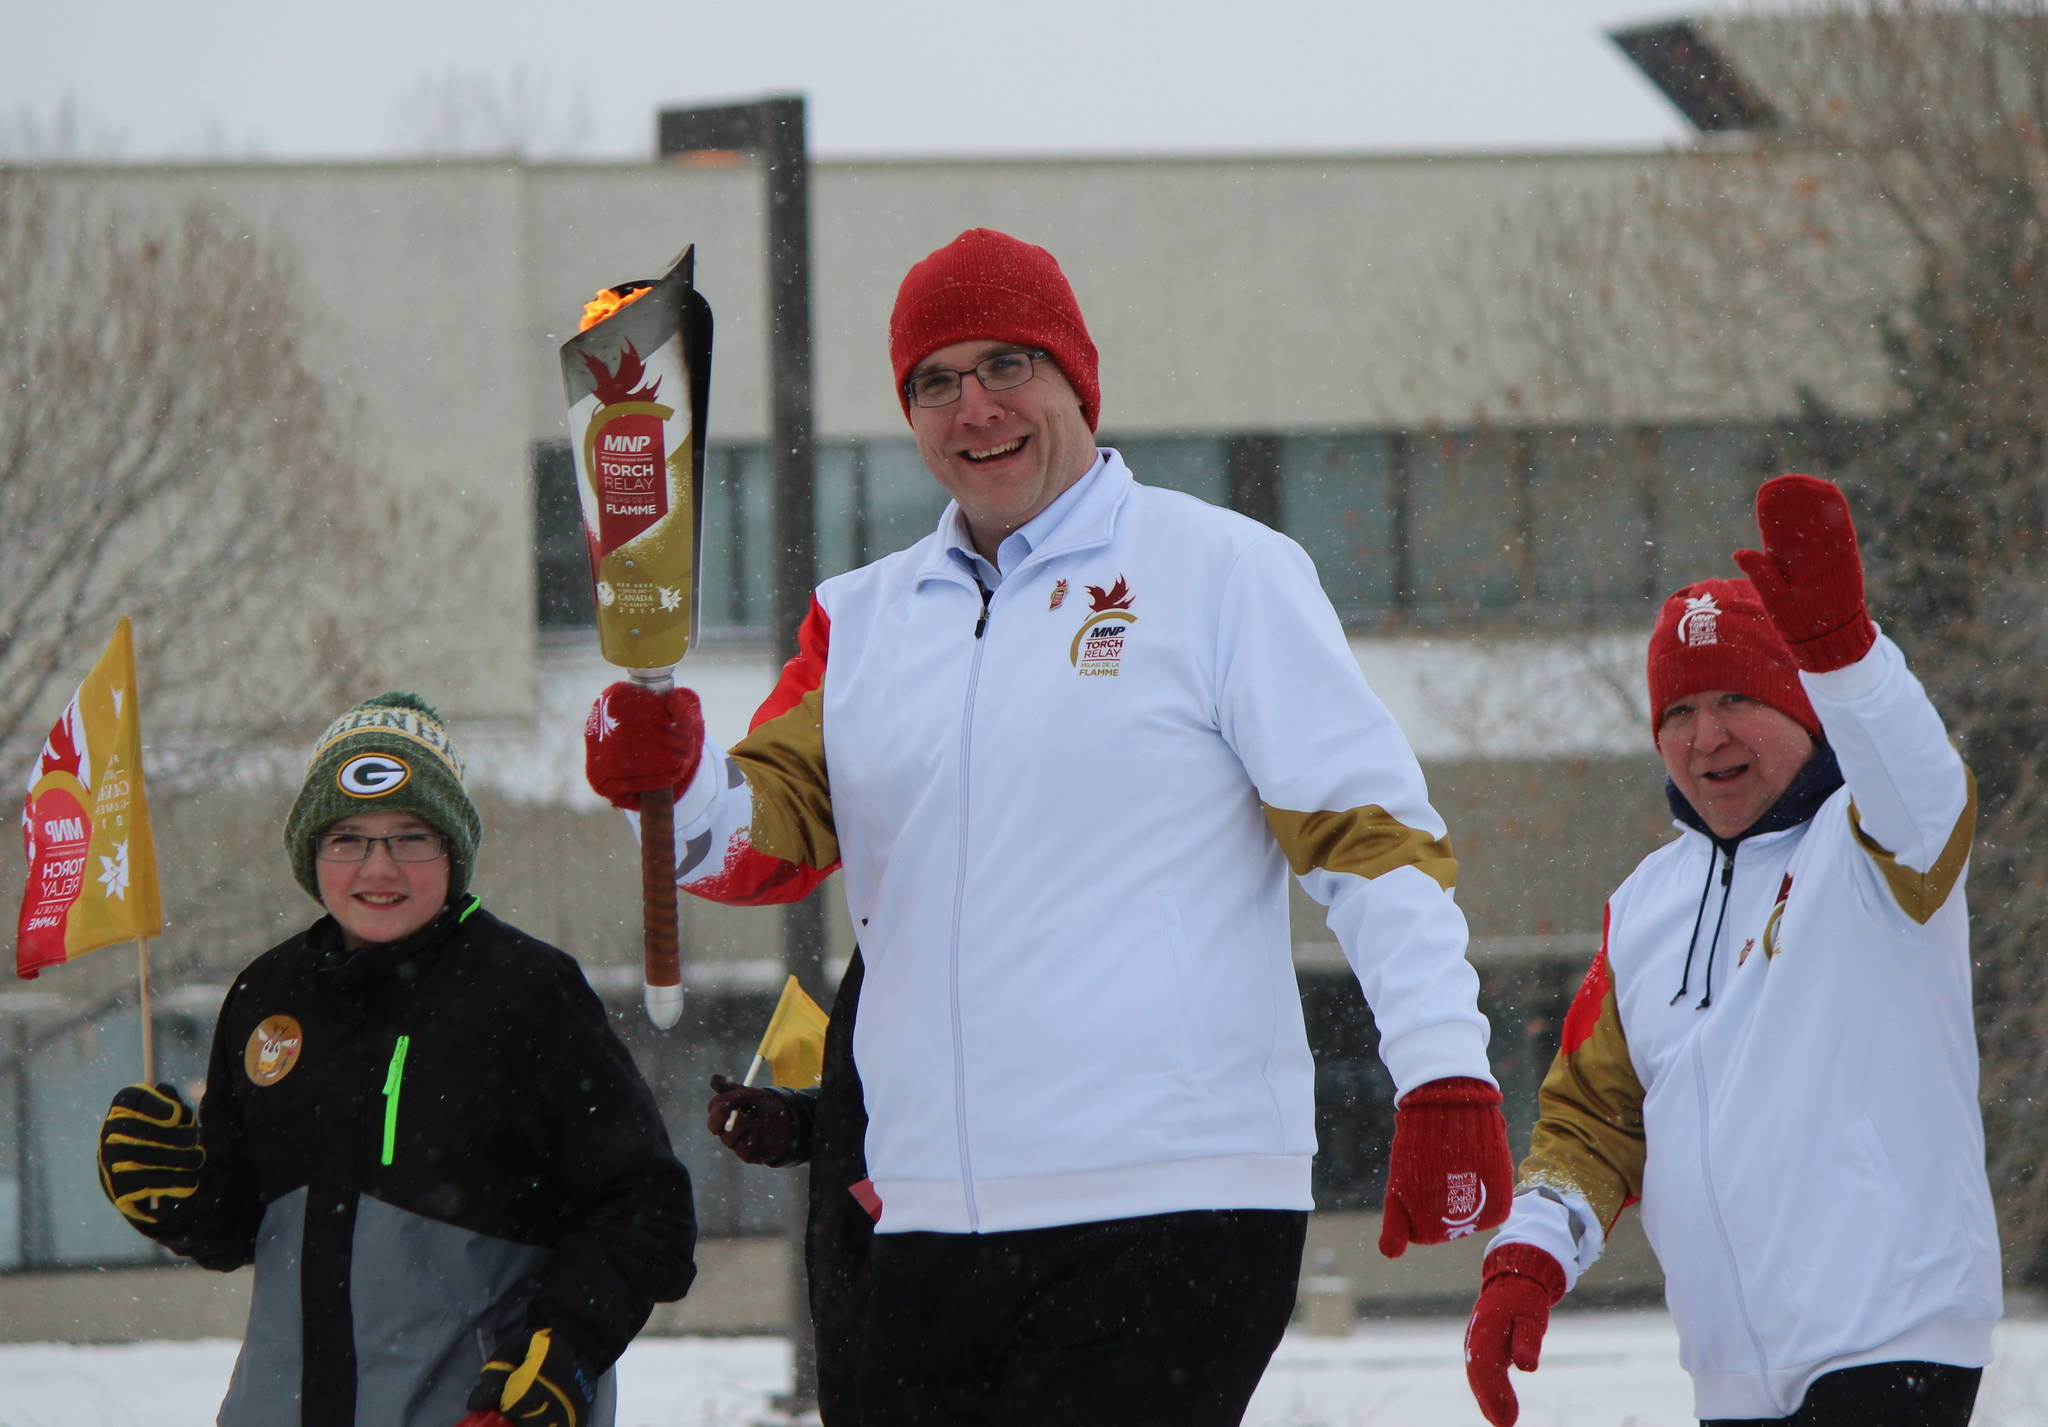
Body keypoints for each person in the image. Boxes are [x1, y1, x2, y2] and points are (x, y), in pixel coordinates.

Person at [585, 227, 1513, 1426]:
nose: (974, 407)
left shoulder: (1219, 572)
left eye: (1007, 365)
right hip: (921, 1215)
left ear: (1077, 378)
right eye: (935, 381)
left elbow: (1370, 838)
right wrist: (675, 779)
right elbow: (765, 833)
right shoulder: (862, 621)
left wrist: (1441, 1065)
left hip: (1169, 1198)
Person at [1463, 474, 2001, 1427]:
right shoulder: (1644, 905)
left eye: (1734, 700)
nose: (1705, 736)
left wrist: (1847, 656)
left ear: (1801, 708)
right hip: (1732, 1374)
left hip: (1890, 1335)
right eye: (1677, 712)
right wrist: (1529, 1254)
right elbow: (1594, 1119)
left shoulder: (1873, 845)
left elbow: (1926, 784)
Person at [95, 692, 699, 1427]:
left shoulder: (528, 990)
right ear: (310, 852)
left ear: (454, 849)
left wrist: (564, 1346)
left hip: (477, 1413)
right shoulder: (267, 995)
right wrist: (179, 1197)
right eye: (347, 837)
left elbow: (646, 1207)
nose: (378, 866)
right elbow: (236, 1226)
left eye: (411, 836)